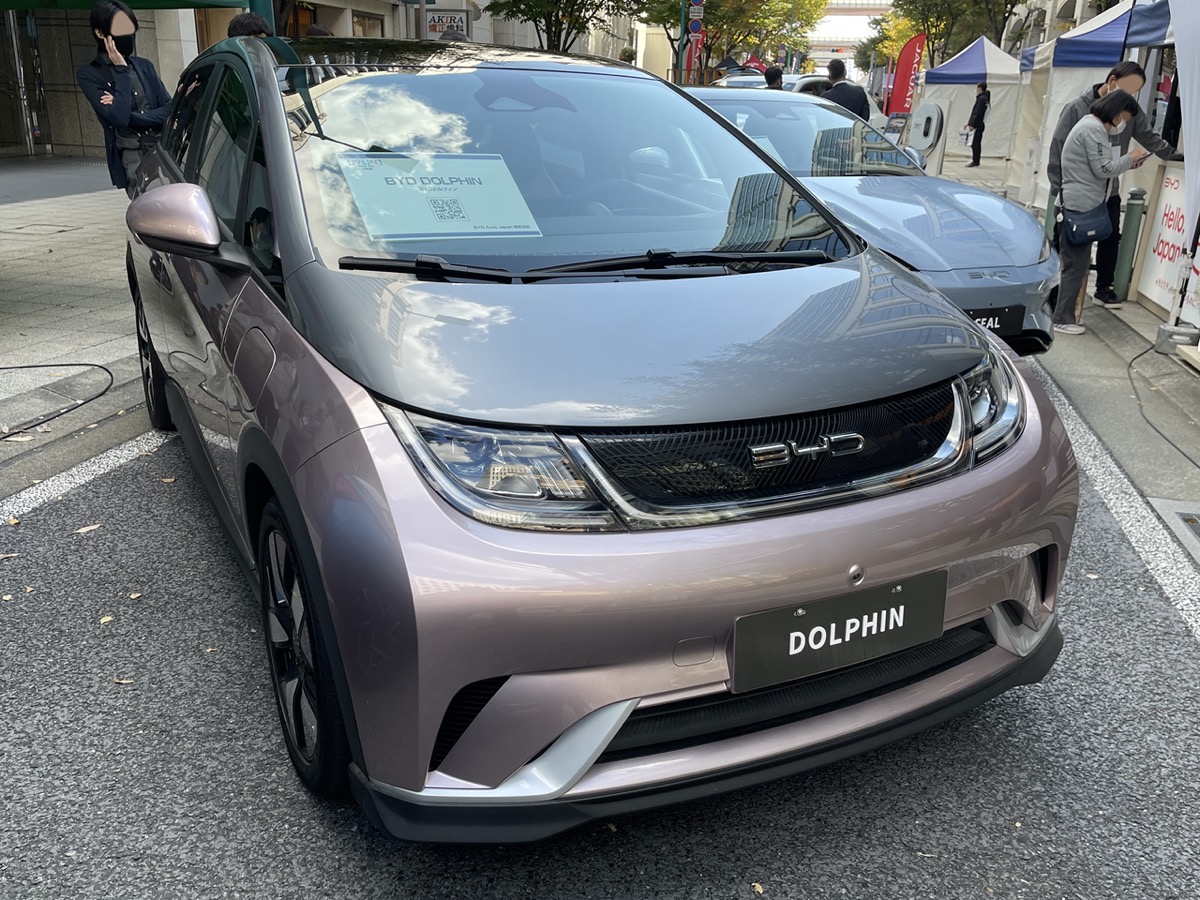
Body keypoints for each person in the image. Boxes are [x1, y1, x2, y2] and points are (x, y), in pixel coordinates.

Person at [1046, 61, 1181, 306]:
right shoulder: (1078, 108)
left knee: (1110, 237)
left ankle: (1103, 287)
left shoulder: (1129, 110)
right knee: (1068, 244)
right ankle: (1055, 296)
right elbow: (1058, 146)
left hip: (1108, 188)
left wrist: (1171, 154)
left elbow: (1148, 137)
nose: (1130, 96)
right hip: (1076, 192)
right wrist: (1059, 187)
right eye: (1128, 88)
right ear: (1111, 81)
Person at [1051, 90, 1150, 336]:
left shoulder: (1089, 126)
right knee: (1075, 265)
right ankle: (1062, 318)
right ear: (1116, 112)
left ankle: (1060, 314)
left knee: (1073, 263)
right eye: (1125, 117)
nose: (1124, 123)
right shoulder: (1093, 130)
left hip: (1076, 203)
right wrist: (1130, 157)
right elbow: (1103, 168)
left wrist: (1127, 161)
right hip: (1079, 206)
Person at [75, 0, 172, 198]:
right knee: (149, 212)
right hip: (133, 156)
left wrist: (133, 118)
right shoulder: (90, 75)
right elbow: (118, 118)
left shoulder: (144, 66)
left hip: (162, 150)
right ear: (101, 34)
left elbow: (168, 109)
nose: (129, 36)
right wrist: (121, 69)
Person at [963, 82, 989, 168]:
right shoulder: (984, 99)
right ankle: (976, 160)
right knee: (976, 142)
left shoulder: (981, 99)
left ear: (980, 88)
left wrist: (972, 124)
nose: (976, 90)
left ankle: (975, 160)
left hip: (977, 124)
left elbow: (977, 113)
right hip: (979, 123)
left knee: (975, 143)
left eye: (977, 88)